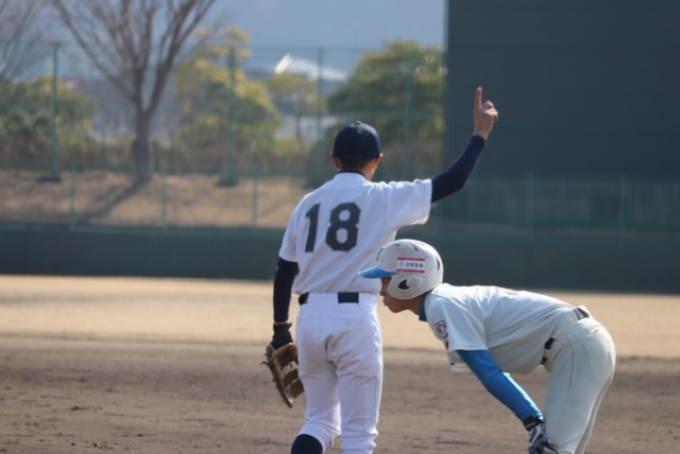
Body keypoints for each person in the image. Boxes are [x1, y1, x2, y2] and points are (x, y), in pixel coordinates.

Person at [269, 87, 499, 454]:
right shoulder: (384, 197)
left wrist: (281, 329)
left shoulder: (308, 204)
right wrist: (480, 134)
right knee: (359, 435)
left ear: (334, 160)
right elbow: (452, 181)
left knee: (320, 422)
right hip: (354, 319)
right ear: (376, 161)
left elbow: (285, 270)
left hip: (309, 318)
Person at [358, 239, 616, 454]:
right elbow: (492, 369)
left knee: (552, 449)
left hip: (577, 347)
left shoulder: (442, 305)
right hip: (583, 345)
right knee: (561, 448)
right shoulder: (444, 302)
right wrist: (533, 419)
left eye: (384, 280)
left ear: (408, 281)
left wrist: (532, 420)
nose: (380, 290)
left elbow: (487, 370)